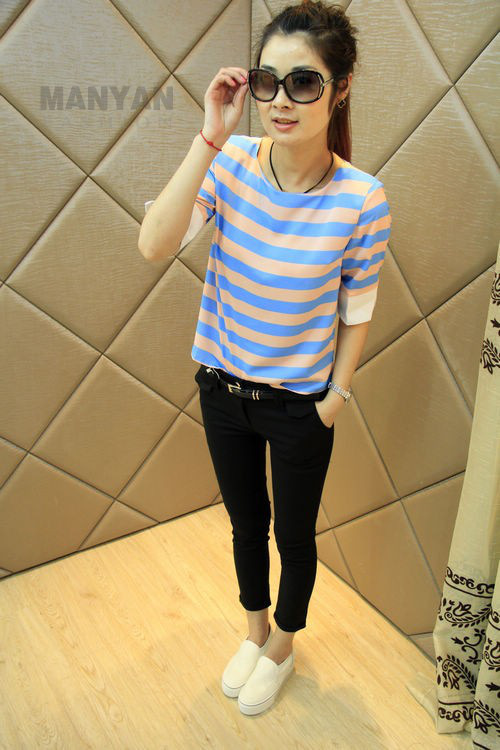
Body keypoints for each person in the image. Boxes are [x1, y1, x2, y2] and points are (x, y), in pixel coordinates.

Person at [139, 0, 392, 716]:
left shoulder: (362, 199)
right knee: (245, 524)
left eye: (303, 83)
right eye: (266, 82)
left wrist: (335, 398)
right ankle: (254, 633)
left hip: (299, 405)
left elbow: (356, 312)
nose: (281, 100)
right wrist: (209, 137)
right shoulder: (231, 165)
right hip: (222, 390)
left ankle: (282, 646)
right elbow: (154, 245)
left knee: (294, 534)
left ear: (340, 88)